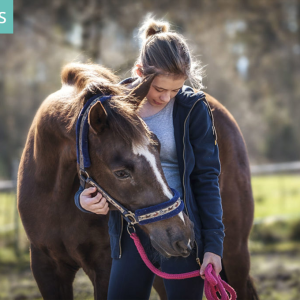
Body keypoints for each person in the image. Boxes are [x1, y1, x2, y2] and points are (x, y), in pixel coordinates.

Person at [75, 17, 225, 300]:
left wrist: (213, 246)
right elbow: (88, 169)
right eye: (159, 89)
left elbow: (206, 179)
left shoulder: (194, 109)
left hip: (181, 228)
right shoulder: (109, 110)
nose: (167, 97)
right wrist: (82, 200)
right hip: (130, 233)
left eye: (175, 90)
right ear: (139, 72)